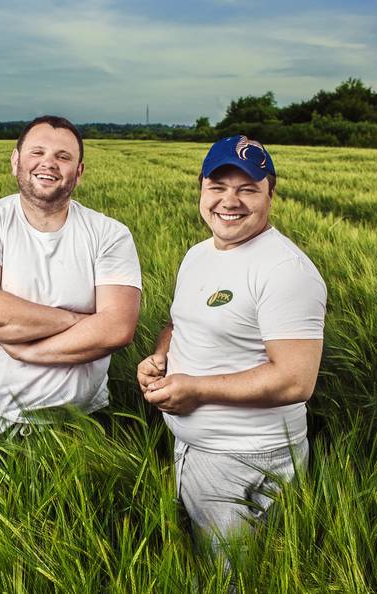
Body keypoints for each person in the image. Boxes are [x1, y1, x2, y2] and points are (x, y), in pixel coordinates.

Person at [137, 135, 326, 544]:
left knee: (237, 581)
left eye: (247, 189)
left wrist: (197, 391)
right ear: (201, 190)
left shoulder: (284, 270)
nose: (230, 200)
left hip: (249, 461)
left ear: (270, 195)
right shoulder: (198, 255)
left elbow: (296, 381)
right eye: (218, 187)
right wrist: (160, 358)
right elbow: (179, 324)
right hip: (193, 451)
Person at [0, 115, 142, 440]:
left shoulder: (110, 234)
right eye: (37, 152)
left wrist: (27, 351)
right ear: (16, 160)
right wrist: (82, 320)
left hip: (82, 427)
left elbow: (118, 328)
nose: (49, 163)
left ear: (78, 172)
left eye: (63, 157)